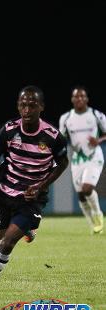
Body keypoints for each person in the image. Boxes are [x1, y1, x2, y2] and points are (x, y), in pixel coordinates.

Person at [0, 86, 69, 299]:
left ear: (41, 107)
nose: (27, 109)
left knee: (6, 244)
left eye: (32, 105)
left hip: (32, 198)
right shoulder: (9, 130)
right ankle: (25, 230)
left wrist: (42, 186)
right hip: (5, 193)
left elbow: (63, 162)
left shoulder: (53, 136)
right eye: (23, 104)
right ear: (18, 106)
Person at [59, 86, 105, 234]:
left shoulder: (96, 115)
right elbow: (62, 138)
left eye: (82, 96)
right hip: (77, 159)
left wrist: (98, 140)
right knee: (80, 194)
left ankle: (98, 214)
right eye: (76, 97)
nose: (79, 99)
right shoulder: (66, 118)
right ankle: (93, 224)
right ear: (72, 99)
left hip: (94, 156)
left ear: (86, 99)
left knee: (87, 189)